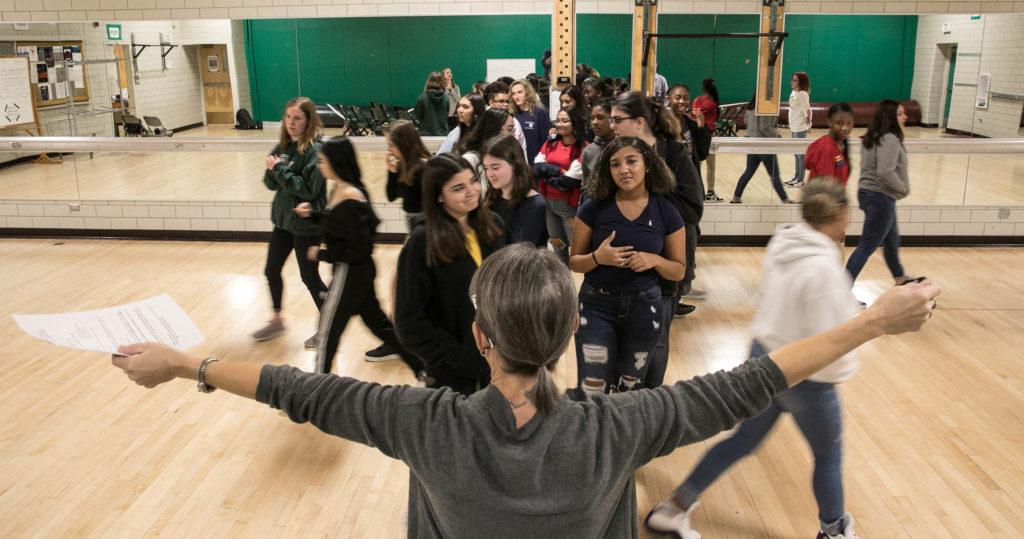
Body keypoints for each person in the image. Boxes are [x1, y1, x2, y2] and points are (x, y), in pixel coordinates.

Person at [113, 246, 939, 537]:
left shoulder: (418, 419)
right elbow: (759, 379)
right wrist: (875, 320)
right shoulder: (623, 426)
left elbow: (296, 388)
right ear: (564, 340)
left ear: (480, 338)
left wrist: (185, 364)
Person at [646, 178, 867, 539]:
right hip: (804, 374)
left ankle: (673, 509)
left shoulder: (783, 243)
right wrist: (843, 370)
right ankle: (835, 530)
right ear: (842, 213)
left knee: (743, 440)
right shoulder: (825, 270)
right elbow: (835, 344)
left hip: (764, 361)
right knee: (828, 455)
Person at [293, 136, 421, 375]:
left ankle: (316, 390)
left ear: (336, 162)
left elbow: (358, 245)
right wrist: (313, 214)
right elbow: (337, 223)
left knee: (327, 329)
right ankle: (423, 367)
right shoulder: (344, 188)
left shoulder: (350, 195)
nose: (320, 165)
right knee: (380, 326)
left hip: (350, 272)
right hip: (358, 271)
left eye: (323, 161)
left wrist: (322, 253)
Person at [569, 136, 686, 394]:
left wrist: (654, 260)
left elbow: (678, 269)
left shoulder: (666, 211)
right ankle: (594, 433)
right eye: (615, 164)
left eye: (631, 161)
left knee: (629, 387)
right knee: (593, 387)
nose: (624, 169)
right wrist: (599, 257)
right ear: (607, 171)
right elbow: (575, 262)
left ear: (647, 165)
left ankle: (623, 433)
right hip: (596, 306)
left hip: (645, 308)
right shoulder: (593, 208)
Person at [392, 154, 508, 394]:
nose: (471, 190)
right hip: (454, 377)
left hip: (504, 364)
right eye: (458, 188)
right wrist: (466, 360)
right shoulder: (422, 243)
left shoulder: (494, 225)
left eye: (473, 181)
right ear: (438, 196)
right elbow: (409, 325)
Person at [609, 92, 704, 330]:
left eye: (618, 120)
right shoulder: (614, 154)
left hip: (663, 264)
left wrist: (649, 191)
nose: (612, 126)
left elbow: (692, 210)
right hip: (623, 267)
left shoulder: (674, 153)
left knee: (655, 340)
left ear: (640, 122)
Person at [254, 96, 328, 347]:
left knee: (310, 277)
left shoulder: (315, 152)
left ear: (308, 121)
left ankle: (328, 327)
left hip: (307, 226)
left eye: (297, 118)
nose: (291, 123)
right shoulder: (282, 148)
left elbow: (307, 190)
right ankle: (276, 320)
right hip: (284, 223)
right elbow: (270, 184)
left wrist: (281, 170)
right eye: (287, 117)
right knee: (271, 270)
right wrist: (271, 170)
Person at [845, 100, 917, 288]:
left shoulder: (871, 137)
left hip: (870, 195)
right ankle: (841, 291)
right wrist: (902, 187)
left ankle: (900, 277)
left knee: (892, 241)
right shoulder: (890, 138)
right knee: (866, 247)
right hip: (881, 198)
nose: (905, 117)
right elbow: (885, 171)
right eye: (900, 113)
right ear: (891, 116)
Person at [534, 106, 588, 265]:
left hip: (569, 205)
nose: (560, 124)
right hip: (548, 203)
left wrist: (547, 174)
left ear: (575, 123)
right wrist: (559, 170)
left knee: (576, 248)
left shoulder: (583, 148)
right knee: (558, 245)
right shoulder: (550, 144)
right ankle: (562, 281)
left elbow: (567, 183)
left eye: (565, 120)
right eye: (557, 120)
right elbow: (536, 168)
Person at [483, 135, 547, 248]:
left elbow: (517, 254)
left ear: (515, 164)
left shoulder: (534, 205)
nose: (489, 174)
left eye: (495, 167)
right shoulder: (493, 196)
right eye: (486, 168)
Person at [731, 97, 793, 205]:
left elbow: (746, 121)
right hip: (764, 146)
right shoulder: (766, 107)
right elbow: (765, 127)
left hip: (752, 144)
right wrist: (777, 136)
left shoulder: (751, 107)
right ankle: (785, 200)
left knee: (748, 172)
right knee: (775, 174)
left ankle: (736, 197)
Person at [385, 120, 429, 228]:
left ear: (403, 144)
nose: (389, 150)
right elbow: (391, 196)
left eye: (391, 145)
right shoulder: (402, 164)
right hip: (413, 217)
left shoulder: (421, 168)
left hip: (424, 219)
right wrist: (392, 171)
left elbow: (407, 195)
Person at [666, 84, 711, 181]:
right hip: (669, 181)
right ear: (669, 99)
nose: (682, 101)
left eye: (685, 98)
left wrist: (701, 128)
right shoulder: (661, 124)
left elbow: (702, 154)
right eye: (677, 98)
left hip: (689, 179)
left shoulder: (690, 124)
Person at [806, 103, 855, 185]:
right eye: (839, 123)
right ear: (829, 122)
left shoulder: (841, 145)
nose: (845, 128)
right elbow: (825, 187)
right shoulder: (826, 148)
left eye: (849, 123)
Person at [458, 107, 515, 176]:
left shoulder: (507, 155)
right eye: (509, 129)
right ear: (495, 130)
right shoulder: (471, 159)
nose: (513, 135)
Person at [692, 79, 722, 202]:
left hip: (696, 136)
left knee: (696, 166)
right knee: (711, 167)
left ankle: (695, 191)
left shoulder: (696, 100)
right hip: (708, 137)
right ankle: (710, 191)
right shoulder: (712, 104)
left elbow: (694, 117)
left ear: (703, 87)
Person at [510, 78, 551, 164]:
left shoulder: (539, 113)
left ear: (527, 93)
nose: (516, 96)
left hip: (535, 163)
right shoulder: (512, 115)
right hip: (518, 162)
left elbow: (546, 142)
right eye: (513, 94)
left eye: (520, 92)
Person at [485, 81, 528, 157]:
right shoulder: (482, 120)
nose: (505, 105)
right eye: (501, 101)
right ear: (491, 103)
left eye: (508, 101)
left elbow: (522, 150)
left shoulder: (514, 122)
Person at [787, 71, 812, 187]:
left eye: (795, 80)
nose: (792, 82)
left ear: (801, 81)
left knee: (800, 154)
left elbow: (807, 110)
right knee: (795, 153)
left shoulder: (803, 94)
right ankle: (796, 177)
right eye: (792, 79)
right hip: (793, 126)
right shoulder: (794, 92)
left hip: (800, 127)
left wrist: (808, 124)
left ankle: (801, 180)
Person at [580, 99, 614, 187]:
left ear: (613, 119)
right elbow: (585, 184)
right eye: (592, 118)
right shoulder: (588, 151)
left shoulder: (623, 147)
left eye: (600, 117)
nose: (594, 122)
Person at [413, 71, 450, 136]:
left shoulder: (422, 98)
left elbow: (416, 118)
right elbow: (446, 115)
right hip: (443, 136)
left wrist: (422, 127)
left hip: (425, 136)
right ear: (442, 82)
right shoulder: (446, 98)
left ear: (428, 81)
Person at [442, 67, 461, 131]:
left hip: (454, 115)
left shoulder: (456, 87)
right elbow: (442, 98)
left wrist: (451, 91)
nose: (449, 74)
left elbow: (459, 99)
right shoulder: (441, 87)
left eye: (450, 72)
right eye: (447, 73)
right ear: (443, 76)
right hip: (443, 115)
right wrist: (447, 89)